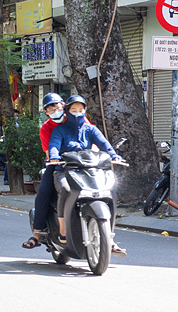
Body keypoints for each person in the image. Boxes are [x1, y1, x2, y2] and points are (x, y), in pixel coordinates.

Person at [47, 95, 125, 253]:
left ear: (85, 111)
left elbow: (104, 144)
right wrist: (54, 157)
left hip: (88, 170)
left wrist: (114, 155)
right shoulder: (59, 130)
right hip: (65, 170)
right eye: (73, 109)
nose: (77, 112)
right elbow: (53, 145)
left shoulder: (91, 129)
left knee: (110, 190)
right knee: (65, 190)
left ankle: (109, 235)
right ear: (67, 111)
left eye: (80, 109)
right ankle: (63, 230)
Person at [22, 93, 66, 250]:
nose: (55, 110)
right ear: (46, 112)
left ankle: (109, 236)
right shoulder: (46, 128)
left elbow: (92, 138)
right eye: (50, 108)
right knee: (43, 192)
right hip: (57, 165)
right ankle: (38, 233)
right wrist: (55, 158)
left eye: (57, 106)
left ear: (63, 105)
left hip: (82, 163)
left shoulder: (75, 120)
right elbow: (49, 152)